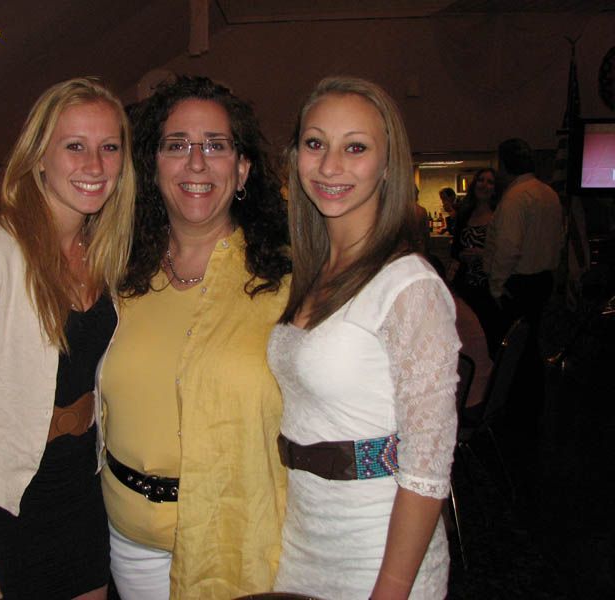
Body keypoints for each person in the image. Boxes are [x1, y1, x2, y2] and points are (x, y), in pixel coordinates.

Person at [0, 77, 136, 600]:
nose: (95, 165)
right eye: (75, 146)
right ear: (39, 156)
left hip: (84, 485)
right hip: (8, 498)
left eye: (110, 147)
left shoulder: (105, 253)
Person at [98, 75, 291, 599]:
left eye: (216, 145)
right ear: (152, 166)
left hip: (236, 540)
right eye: (177, 145)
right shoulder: (116, 274)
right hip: (130, 542)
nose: (197, 163)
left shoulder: (286, 285)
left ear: (242, 168)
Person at [269, 76, 460, 599]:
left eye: (355, 147)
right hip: (303, 539)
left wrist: (391, 588)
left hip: (379, 552)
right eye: (315, 143)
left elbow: (427, 466)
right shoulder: (312, 272)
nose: (330, 166)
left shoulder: (409, 287)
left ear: (387, 165)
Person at [483, 138, 563, 341]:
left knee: (511, 344)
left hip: (519, 284)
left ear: (504, 164)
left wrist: (497, 287)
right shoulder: (550, 193)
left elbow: (508, 248)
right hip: (544, 280)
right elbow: (559, 239)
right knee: (533, 341)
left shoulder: (515, 197)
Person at [450, 168, 501, 356]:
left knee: (488, 334)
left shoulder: (499, 215)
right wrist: (462, 255)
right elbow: (455, 249)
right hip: (465, 284)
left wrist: (482, 254)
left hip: (488, 285)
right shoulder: (465, 213)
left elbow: (503, 251)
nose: (484, 185)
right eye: (481, 180)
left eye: (490, 182)